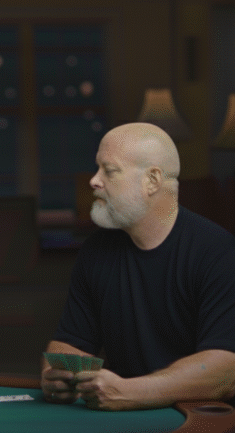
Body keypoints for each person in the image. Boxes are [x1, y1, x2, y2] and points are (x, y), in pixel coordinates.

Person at [41, 122, 235, 411]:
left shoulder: (219, 252)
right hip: (121, 418)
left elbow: (226, 370)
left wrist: (131, 392)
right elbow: (70, 343)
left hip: (199, 420)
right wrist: (56, 375)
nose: (94, 180)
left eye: (109, 171)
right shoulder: (95, 250)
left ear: (152, 181)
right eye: (97, 168)